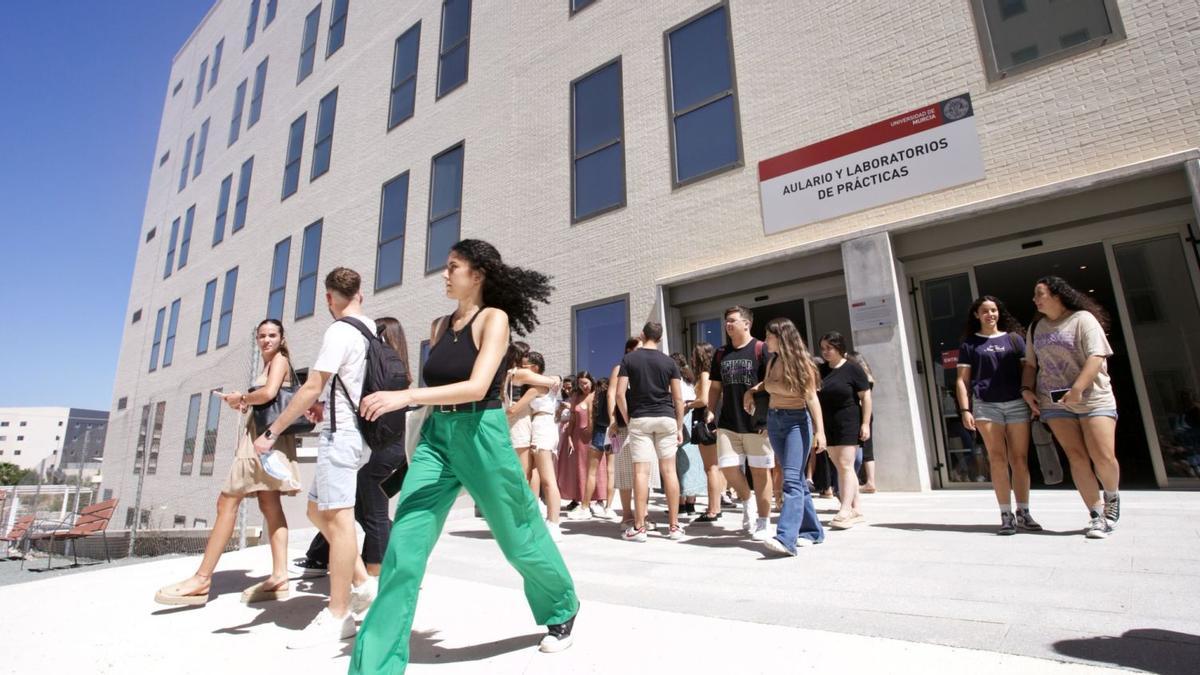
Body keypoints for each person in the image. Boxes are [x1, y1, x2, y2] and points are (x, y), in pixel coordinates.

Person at [351, 240, 578, 672]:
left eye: (452, 266)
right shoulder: (439, 326)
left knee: (516, 534)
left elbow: (476, 386)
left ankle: (561, 606)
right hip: (438, 439)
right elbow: (437, 388)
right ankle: (375, 665)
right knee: (404, 546)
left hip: (483, 433)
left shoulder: (494, 319)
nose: (445, 274)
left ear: (478, 274)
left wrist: (406, 395)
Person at [251, 269, 377, 648]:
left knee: (338, 524)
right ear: (360, 294)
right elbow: (347, 383)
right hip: (353, 431)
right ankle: (362, 583)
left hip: (343, 437)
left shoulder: (340, 331)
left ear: (328, 297)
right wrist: (325, 405)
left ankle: (339, 615)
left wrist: (272, 432)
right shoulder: (370, 328)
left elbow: (312, 384)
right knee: (314, 511)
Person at [154, 319, 304, 607]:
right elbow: (266, 398)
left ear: (282, 338)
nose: (266, 340)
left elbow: (271, 393)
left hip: (263, 441)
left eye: (272, 335)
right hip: (263, 438)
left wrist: (242, 397)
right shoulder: (268, 363)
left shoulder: (280, 359)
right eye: (261, 335)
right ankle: (280, 577)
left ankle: (201, 579)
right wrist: (244, 402)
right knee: (269, 505)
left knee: (227, 502)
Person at [296, 317, 412, 576]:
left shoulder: (380, 372)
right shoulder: (399, 374)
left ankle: (376, 571)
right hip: (395, 451)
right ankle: (363, 561)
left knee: (370, 513)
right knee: (358, 510)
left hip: (380, 451)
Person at [1021, 276, 1120, 539]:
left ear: (1057, 295)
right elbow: (1031, 364)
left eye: (1039, 294)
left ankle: (1111, 499)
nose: (1035, 299)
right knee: (1076, 456)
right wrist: (1027, 390)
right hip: (1053, 401)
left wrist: (1077, 389)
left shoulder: (1083, 319)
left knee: (1103, 456)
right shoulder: (1036, 327)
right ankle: (1097, 515)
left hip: (1092, 397)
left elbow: (1097, 356)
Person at [955, 296, 1042, 535]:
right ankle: (1006, 514)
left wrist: (1031, 397)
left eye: (993, 310)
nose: (990, 314)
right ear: (976, 315)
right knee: (997, 458)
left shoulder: (1014, 340)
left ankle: (1023, 512)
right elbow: (962, 381)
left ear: (998, 313)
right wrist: (965, 409)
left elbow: (1029, 371)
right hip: (986, 406)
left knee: (1020, 459)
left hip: (1016, 403)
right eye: (984, 311)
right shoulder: (970, 344)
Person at [751, 318, 826, 556]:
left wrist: (820, 431)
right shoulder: (772, 361)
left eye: (769, 336)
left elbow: (812, 398)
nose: (765, 341)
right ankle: (813, 531)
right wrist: (753, 390)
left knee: (791, 480)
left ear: (781, 337)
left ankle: (786, 538)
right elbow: (770, 384)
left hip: (796, 422)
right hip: (775, 421)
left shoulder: (802, 363)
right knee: (798, 481)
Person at [706, 306, 774, 541]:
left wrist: (757, 393)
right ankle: (747, 500)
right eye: (726, 321)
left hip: (757, 422)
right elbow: (715, 386)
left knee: (760, 472)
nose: (728, 324)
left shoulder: (761, 349)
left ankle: (764, 521)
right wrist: (710, 410)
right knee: (727, 467)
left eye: (733, 320)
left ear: (747, 324)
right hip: (728, 421)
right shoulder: (720, 353)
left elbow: (773, 381)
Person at [616, 321, 686, 541]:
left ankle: (639, 528)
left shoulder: (629, 359)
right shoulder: (669, 362)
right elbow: (678, 398)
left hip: (641, 418)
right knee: (670, 472)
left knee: (641, 473)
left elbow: (619, 395)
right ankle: (674, 527)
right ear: (661, 338)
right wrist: (679, 424)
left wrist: (628, 419)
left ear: (642, 334)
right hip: (666, 418)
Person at [817, 332, 872, 530]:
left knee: (846, 464)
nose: (825, 352)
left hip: (849, 420)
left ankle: (845, 508)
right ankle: (856, 508)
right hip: (828, 422)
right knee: (840, 466)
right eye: (822, 348)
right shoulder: (820, 370)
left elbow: (865, 397)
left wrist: (865, 423)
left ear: (839, 348)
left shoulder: (852, 369)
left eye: (829, 348)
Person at [513, 351, 567, 541]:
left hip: (543, 427)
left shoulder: (537, 387)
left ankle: (553, 524)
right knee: (541, 477)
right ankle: (548, 520)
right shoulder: (546, 383)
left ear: (535, 368)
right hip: (542, 427)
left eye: (525, 366)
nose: (521, 369)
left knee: (547, 479)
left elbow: (514, 409)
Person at [558, 372, 606, 519]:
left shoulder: (597, 395)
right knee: (581, 469)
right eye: (580, 384)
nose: (583, 386)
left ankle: (599, 501)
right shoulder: (575, 397)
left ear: (591, 381)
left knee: (598, 468)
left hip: (595, 435)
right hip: (578, 437)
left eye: (586, 383)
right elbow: (572, 419)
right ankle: (582, 500)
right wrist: (570, 437)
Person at [688, 343, 725, 523]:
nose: (692, 359)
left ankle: (713, 509)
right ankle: (715, 506)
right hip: (714, 419)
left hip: (704, 419)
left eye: (694, 355)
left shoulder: (704, 374)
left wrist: (687, 404)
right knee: (715, 467)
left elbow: (703, 399)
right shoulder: (716, 374)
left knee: (710, 468)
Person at [609, 336, 642, 529]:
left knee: (642, 471)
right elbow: (612, 394)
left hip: (642, 422)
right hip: (623, 424)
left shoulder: (644, 367)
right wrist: (612, 419)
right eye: (637, 349)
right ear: (629, 350)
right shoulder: (619, 368)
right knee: (623, 472)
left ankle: (642, 514)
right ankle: (627, 514)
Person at [672, 354, 706, 515]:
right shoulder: (690, 381)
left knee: (678, 462)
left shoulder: (673, 381)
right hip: (692, 420)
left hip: (679, 419)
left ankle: (680, 503)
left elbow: (676, 402)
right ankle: (691, 503)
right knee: (693, 462)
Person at [583, 377, 618, 519]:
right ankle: (609, 507)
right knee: (611, 472)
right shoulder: (613, 397)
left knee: (592, 472)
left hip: (598, 432)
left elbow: (591, 421)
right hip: (614, 433)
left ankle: (585, 506)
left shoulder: (594, 398)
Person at [848, 351, 877, 493]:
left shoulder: (857, 377)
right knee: (868, 447)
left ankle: (862, 480)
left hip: (859, 413)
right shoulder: (870, 377)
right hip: (868, 413)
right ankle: (871, 480)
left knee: (858, 446)